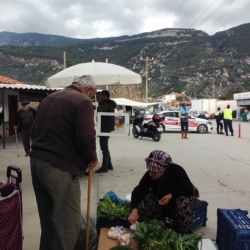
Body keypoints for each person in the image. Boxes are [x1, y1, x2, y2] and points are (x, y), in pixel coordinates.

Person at [30, 75, 98, 250]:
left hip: (37, 163)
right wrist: (92, 156)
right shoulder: (82, 101)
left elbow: (33, 130)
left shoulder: (49, 98)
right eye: (93, 95)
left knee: (48, 220)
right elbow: (85, 136)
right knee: (67, 224)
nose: (92, 99)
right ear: (88, 89)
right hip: (60, 167)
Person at [128, 150, 199, 234]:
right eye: (149, 171)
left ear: (162, 170)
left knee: (182, 203)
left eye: (153, 172)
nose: (150, 174)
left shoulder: (177, 171)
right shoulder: (149, 175)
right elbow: (137, 193)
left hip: (183, 194)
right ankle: (157, 230)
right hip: (163, 196)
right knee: (149, 197)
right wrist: (134, 210)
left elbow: (188, 190)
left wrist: (171, 195)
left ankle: (183, 234)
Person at [95, 90, 116, 173]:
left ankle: (104, 167)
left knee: (104, 148)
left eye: (100, 95)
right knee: (105, 147)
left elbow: (98, 110)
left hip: (104, 128)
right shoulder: (110, 104)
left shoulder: (106, 104)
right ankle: (109, 164)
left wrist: (90, 107)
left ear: (104, 96)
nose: (99, 97)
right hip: (107, 127)